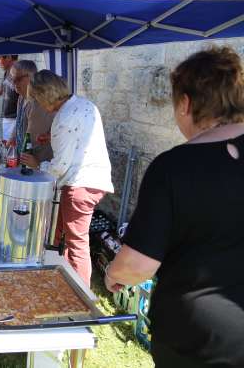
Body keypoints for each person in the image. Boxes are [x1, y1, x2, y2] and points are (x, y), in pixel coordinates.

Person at [105, 47, 244, 367]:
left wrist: (114, 272)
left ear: (186, 103)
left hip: (199, 342)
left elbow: (137, 265)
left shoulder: (174, 167)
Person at [23, 70, 113, 287]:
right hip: (92, 179)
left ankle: (81, 296)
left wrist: (37, 165)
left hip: (79, 184)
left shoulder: (63, 117)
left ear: (44, 95)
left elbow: (59, 167)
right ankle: (58, 280)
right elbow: (78, 139)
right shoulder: (84, 104)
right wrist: (54, 138)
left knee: (76, 244)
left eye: (36, 98)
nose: (38, 104)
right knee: (59, 233)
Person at [9, 60, 55, 162]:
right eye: (12, 79)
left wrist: (19, 162)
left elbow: (32, 138)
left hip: (40, 162)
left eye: (18, 79)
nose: (13, 83)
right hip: (26, 158)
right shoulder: (21, 98)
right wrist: (11, 139)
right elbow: (18, 122)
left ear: (31, 77)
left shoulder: (38, 102)